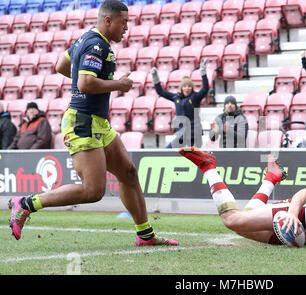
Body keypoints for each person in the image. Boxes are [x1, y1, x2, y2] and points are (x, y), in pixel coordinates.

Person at [8, 0, 179, 247]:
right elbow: (85, 84)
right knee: (93, 191)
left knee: (128, 173)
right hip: (83, 122)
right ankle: (25, 204)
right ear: (108, 20)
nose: (127, 28)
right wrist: (118, 85)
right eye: (124, 22)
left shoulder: (84, 39)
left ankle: (145, 235)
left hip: (98, 122)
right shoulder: (96, 44)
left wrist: (85, 78)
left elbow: (61, 65)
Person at [151, 59, 209, 148]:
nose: (187, 88)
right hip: (181, 134)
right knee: (166, 151)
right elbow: (161, 92)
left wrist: (203, 71)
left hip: (194, 134)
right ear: (181, 88)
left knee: (195, 157)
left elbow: (205, 88)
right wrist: (155, 77)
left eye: (189, 86)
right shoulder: (176, 97)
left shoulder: (196, 97)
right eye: (185, 86)